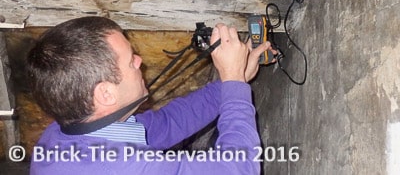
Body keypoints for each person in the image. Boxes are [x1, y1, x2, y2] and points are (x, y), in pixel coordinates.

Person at [27, 16, 275, 174]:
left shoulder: (67, 129)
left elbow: (166, 125)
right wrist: (233, 80)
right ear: (105, 94)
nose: (140, 60)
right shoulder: (128, 168)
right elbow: (239, 167)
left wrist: (229, 82)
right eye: (130, 61)